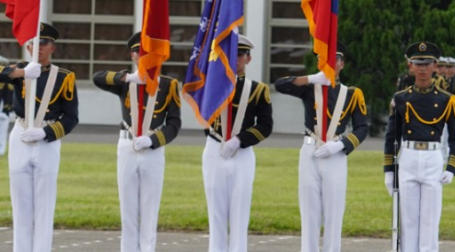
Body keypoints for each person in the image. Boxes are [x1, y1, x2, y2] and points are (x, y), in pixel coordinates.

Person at [92, 32, 182, 252]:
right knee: (128, 209)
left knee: (150, 209)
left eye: (146, 52)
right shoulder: (125, 83)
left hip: (152, 149)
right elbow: (98, 77)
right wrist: (127, 78)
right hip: (127, 146)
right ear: (132, 56)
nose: (141, 56)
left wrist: (153, 141)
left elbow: (174, 124)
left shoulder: (168, 85)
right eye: (137, 52)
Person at [274, 50, 368, 252]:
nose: (329, 63)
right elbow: (280, 85)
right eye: (324, 59)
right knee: (309, 212)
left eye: (334, 60)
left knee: (334, 213)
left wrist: (341, 144)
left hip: (335, 152)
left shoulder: (352, 94)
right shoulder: (309, 87)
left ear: (341, 64)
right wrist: (311, 78)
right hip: (310, 150)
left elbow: (362, 128)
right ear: (318, 62)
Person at [0, 22, 78, 252]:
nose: (39, 47)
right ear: (28, 47)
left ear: (53, 48)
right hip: (21, 134)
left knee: (44, 205)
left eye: (44, 43)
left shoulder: (64, 77)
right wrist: (22, 73)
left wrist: (46, 132)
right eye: (35, 43)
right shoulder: (19, 70)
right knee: (20, 204)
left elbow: (71, 118)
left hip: (46, 139)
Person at [383, 41, 455, 252]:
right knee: (408, 221)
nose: (422, 69)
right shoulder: (401, 98)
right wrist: (389, 171)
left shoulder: (447, 100)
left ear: (435, 66)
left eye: (427, 64)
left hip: (432, 158)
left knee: (429, 221)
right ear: (410, 66)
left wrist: (452, 167)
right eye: (418, 64)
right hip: (408, 157)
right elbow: (392, 137)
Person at [202, 34, 273, 252]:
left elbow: (265, 126)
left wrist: (240, 140)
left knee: (240, 212)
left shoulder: (258, 90)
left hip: (241, 152)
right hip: (215, 149)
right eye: (233, 54)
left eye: (241, 55)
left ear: (249, 59)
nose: (237, 59)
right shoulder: (211, 84)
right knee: (216, 214)